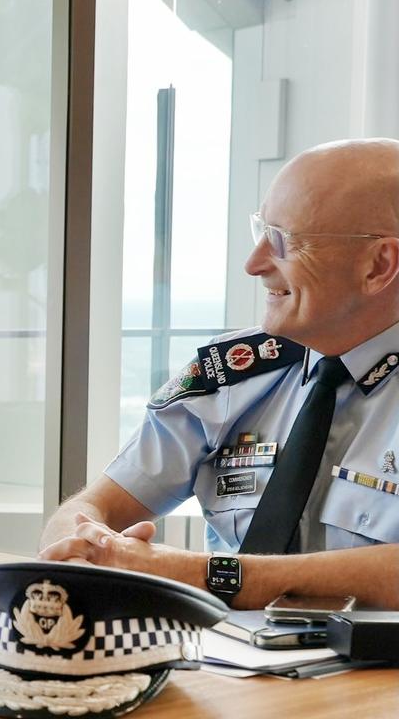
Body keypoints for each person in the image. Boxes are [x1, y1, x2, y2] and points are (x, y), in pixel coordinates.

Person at [40, 138, 399, 610]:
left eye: (283, 242)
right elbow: (93, 506)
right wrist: (89, 547)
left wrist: (205, 575)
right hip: (224, 665)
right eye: (261, 231)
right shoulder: (234, 371)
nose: (254, 264)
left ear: (379, 265)